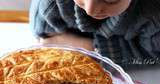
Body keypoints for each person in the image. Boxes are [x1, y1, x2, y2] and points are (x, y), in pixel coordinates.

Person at [30, 0, 160, 68]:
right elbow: (44, 36)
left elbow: (152, 56)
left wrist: (90, 47)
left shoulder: (153, 14)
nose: (90, 9)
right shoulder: (51, 3)